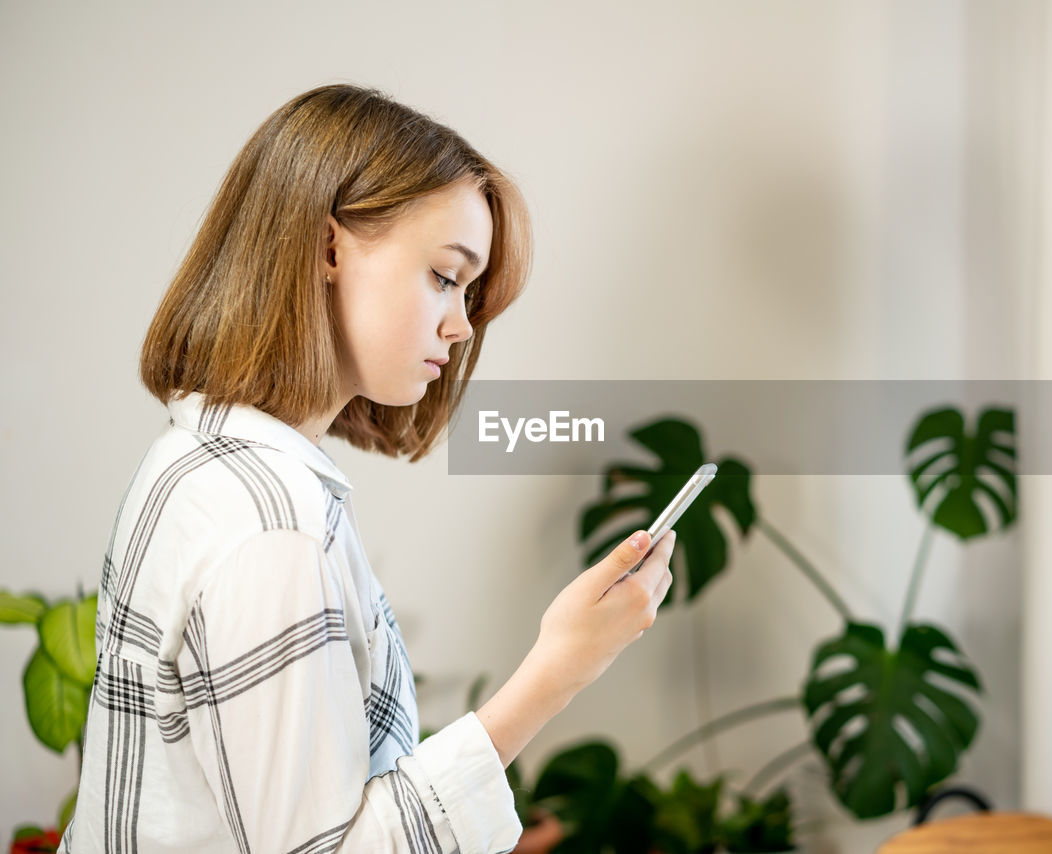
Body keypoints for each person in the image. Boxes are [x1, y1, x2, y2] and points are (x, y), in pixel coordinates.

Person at [59, 83, 675, 854]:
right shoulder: (272, 527)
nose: (458, 326)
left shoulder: (193, 459)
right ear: (327, 247)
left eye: (470, 293)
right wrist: (559, 670)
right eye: (445, 277)